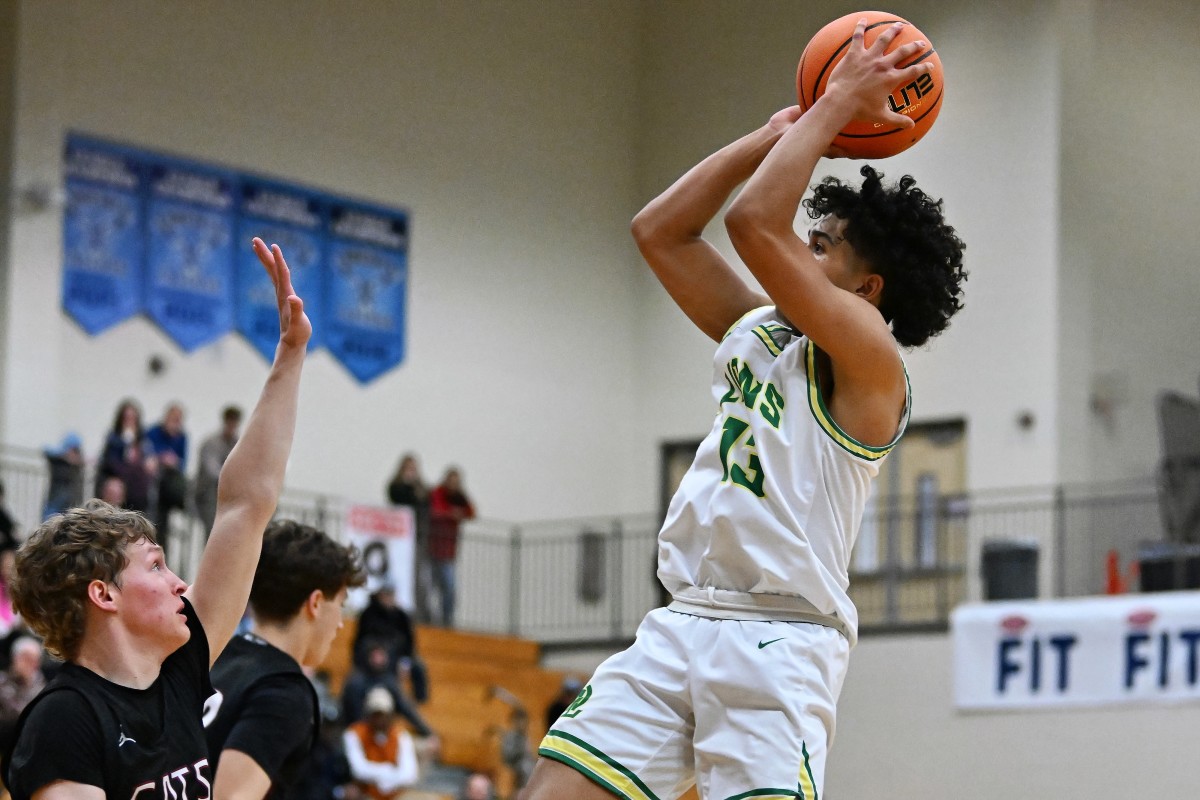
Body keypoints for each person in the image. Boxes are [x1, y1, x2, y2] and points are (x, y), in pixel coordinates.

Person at [523, 21, 966, 800]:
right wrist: (769, 137)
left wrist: (837, 105)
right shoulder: (765, 328)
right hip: (683, 618)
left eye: (823, 246)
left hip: (781, 641)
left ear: (868, 289)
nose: (802, 247)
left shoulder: (871, 359)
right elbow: (660, 231)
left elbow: (751, 223)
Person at [3, 237, 311, 799]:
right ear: (104, 594)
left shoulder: (179, 669)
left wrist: (289, 358)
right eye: (156, 565)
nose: (181, 583)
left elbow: (246, 505)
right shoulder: (64, 721)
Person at [203, 519, 366, 799]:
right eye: (340, 605)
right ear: (315, 603)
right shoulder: (283, 692)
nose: (340, 623)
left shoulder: (218, 656)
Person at [342, 687, 424, 800]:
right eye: (375, 714)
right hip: (366, 793)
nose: (379, 719)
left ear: (390, 715)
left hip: (396, 794)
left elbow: (409, 775)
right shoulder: (354, 733)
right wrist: (389, 770)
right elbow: (359, 770)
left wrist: (382, 779)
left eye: (383, 714)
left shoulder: (401, 736)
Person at [352, 585, 428, 703]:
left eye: (390, 596)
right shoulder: (368, 614)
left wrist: (405, 662)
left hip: (398, 656)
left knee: (419, 667)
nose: (388, 599)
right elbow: (359, 641)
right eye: (385, 595)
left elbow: (410, 644)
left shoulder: (402, 616)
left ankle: (421, 702)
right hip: (371, 658)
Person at [386, 454, 433, 623]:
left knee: (420, 577)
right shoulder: (396, 487)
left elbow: (425, 503)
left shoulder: (421, 488)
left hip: (417, 538)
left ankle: (419, 614)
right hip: (400, 539)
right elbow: (397, 497)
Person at [428, 467, 475, 627]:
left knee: (449, 588)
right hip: (434, 549)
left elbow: (471, 511)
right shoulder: (438, 493)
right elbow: (437, 510)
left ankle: (446, 620)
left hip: (449, 552)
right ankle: (430, 618)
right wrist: (452, 513)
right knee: (430, 587)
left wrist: (456, 512)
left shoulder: (459, 496)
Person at [96, 399, 156, 514]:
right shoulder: (113, 439)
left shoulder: (143, 441)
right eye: (126, 418)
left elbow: (149, 459)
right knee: (115, 488)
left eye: (132, 418)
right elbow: (109, 463)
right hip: (117, 477)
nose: (129, 422)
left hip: (137, 483)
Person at [194, 405, 243, 537]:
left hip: (228, 496)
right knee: (212, 533)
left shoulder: (238, 444)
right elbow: (212, 471)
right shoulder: (211, 443)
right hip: (208, 495)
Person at [145, 403, 190, 547]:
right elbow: (148, 452)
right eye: (173, 418)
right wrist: (162, 457)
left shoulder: (181, 436)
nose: (175, 423)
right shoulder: (153, 432)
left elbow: (183, 462)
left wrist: (174, 461)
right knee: (155, 522)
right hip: (154, 482)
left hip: (170, 484)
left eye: (178, 419)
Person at [42, 434, 84, 520]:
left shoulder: (77, 466)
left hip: (70, 505)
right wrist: (65, 455)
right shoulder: (58, 462)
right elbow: (46, 450)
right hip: (54, 503)